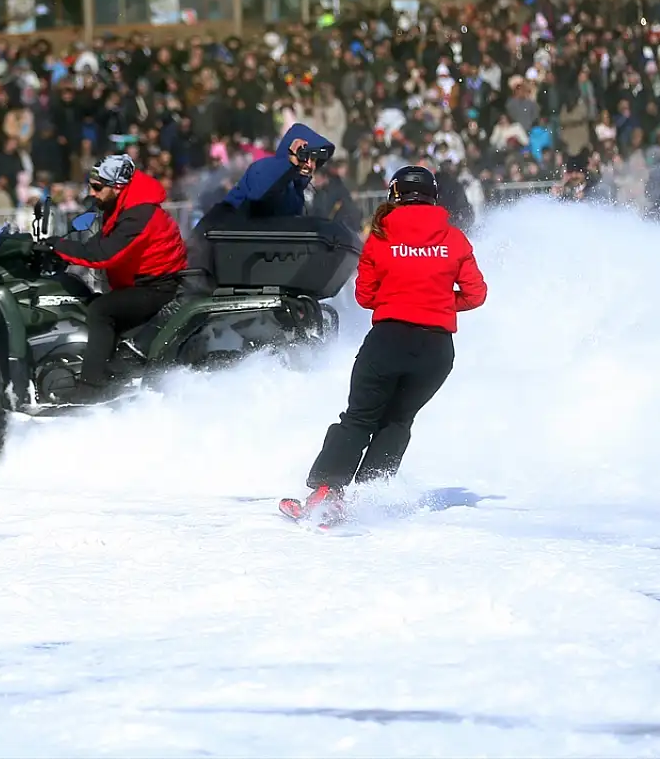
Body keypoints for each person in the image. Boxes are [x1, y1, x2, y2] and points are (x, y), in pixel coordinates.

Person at [281, 165, 489, 524]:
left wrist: (403, 300)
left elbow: (364, 296)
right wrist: (436, 304)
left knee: (359, 418)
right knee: (398, 421)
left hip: (389, 339)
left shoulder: (380, 236)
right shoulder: (454, 239)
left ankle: (327, 490)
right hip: (437, 351)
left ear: (395, 194)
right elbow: (476, 294)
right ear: (433, 195)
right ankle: (366, 499)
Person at [41, 154, 188, 403]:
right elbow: (99, 243)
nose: (92, 193)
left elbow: (104, 255)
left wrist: (60, 247)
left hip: (157, 287)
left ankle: (90, 388)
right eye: (90, 184)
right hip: (139, 282)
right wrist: (61, 250)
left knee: (101, 310)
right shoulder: (121, 205)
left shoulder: (139, 214)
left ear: (117, 186)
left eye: (97, 187)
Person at [178, 123, 336, 297]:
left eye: (315, 160)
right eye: (306, 157)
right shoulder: (266, 167)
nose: (310, 165)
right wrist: (289, 163)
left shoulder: (296, 192)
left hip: (242, 259)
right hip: (211, 249)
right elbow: (261, 191)